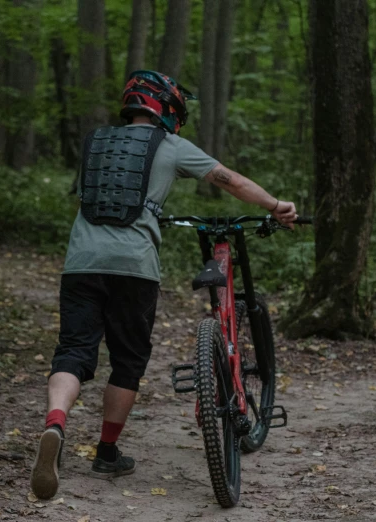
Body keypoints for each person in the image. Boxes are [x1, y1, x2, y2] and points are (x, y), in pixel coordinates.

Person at [30, 70, 298, 499]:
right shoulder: (170, 145)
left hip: (80, 262)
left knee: (75, 351)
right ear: (167, 109)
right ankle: (107, 451)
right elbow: (230, 180)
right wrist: (276, 204)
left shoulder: (95, 141)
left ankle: (55, 423)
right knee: (128, 359)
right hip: (134, 267)